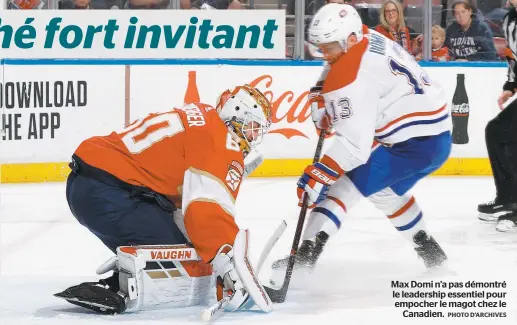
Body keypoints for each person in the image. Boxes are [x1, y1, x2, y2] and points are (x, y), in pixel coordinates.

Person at [55, 84, 274, 314]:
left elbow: (178, 191)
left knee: (189, 245)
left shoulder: (204, 115)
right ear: (236, 113)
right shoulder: (220, 142)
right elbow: (206, 215)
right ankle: (122, 287)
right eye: (253, 126)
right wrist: (230, 267)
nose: (253, 135)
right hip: (108, 195)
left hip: (88, 184)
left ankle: (132, 264)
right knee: (187, 265)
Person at [271, 3, 452, 278]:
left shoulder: (353, 77)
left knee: (340, 187)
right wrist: (322, 89)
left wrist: (319, 174)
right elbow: (336, 64)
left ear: (350, 39)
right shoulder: (366, 36)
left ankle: (305, 257)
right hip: (435, 138)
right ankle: (429, 249)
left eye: (328, 47)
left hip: (412, 143)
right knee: (384, 192)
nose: (324, 54)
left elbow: (355, 148)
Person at [477, 0, 517, 232]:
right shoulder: (509, 20)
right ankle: (507, 197)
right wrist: (510, 86)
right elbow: (513, 57)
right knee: (497, 131)